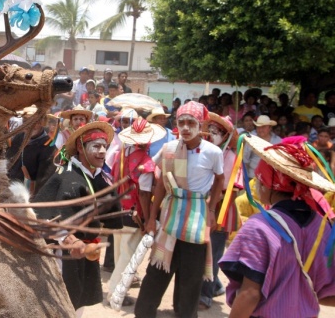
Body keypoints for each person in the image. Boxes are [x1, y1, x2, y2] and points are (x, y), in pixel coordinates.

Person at [219, 136, 335, 317]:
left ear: (268, 185)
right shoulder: (322, 227)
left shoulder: (259, 227)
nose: (256, 185)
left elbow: (250, 294)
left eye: (259, 180)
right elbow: (328, 293)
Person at [135, 101, 224, 318]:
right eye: (181, 122)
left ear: (199, 124)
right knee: (156, 271)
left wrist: (212, 210)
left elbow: (220, 180)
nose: (185, 127)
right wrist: (150, 218)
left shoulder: (213, 152)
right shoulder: (170, 149)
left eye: (190, 123)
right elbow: (160, 184)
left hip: (197, 218)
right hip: (170, 214)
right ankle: (144, 314)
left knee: (191, 278)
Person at [33, 121, 122, 317]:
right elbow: (47, 218)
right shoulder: (68, 178)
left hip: (86, 250)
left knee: (78, 300)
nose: (101, 151)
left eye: (104, 147)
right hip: (65, 254)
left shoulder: (100, 178)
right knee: (62, 301)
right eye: (95, 146)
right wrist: (70, 240)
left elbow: (109, 213)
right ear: (81, 148)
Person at [107, 117, 166, 306]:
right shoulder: (145, 162)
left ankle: (116, 290)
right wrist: (148, 219)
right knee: (128, 255)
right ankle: (115, 293)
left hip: (117, 209)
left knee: (119, 252)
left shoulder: (120, 154)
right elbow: (144, 194)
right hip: (134, 213)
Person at [198, 113, 241, 310]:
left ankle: (205, 296)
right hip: (203, 206)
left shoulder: (230, 157)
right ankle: (214, 286)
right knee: (204, 250)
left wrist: (213, 204)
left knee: (212, 253)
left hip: (220, 209)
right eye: (211, 131)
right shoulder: (206, 151)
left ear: (225, 136)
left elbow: (229, 187)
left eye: (216, 132)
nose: (211, 135)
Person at [7, 105, 57, 197]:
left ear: (42, 123)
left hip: (27, 197)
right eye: (25, 121)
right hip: (8, 190)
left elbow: (43, 182)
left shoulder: (49, 147)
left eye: (34, 122)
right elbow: (8, 161)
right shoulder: (18, 137)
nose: (29, 126)